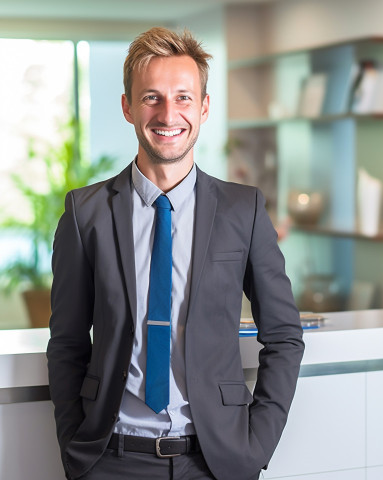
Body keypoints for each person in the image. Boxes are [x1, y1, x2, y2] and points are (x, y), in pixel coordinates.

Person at [47, 26, 304, 480]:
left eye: (184, 97)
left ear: (203, 107)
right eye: (152, 97)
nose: (169, 113)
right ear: (128, 107)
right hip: (110, 461)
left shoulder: (244, 210)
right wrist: (75, 448)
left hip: (214, 462)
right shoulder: (85, 213)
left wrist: (255, 447)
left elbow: (284, 335)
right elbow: (67, 343)